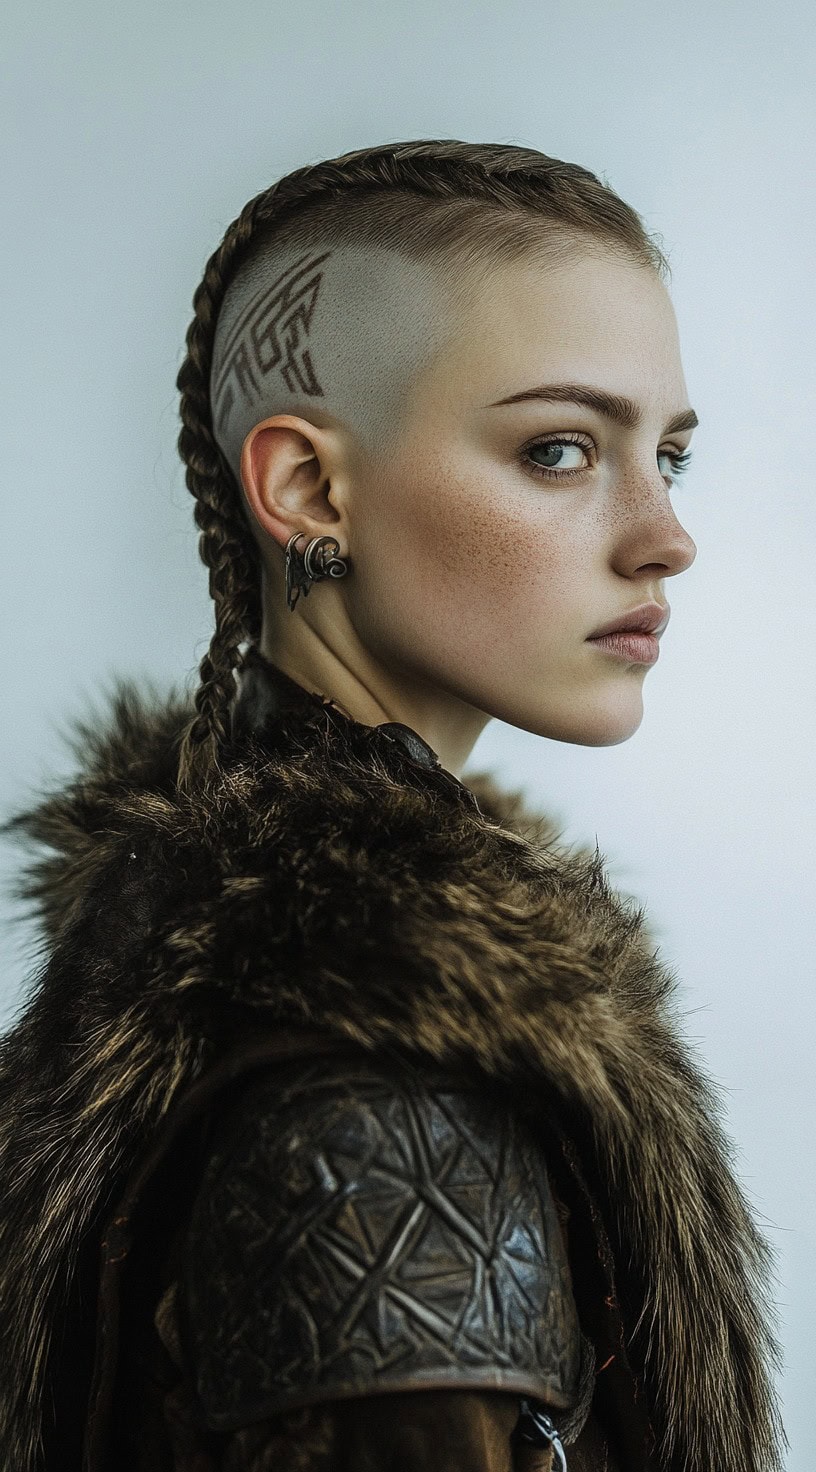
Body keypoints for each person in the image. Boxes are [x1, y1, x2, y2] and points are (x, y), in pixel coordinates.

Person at [0, 139, 785, 1472]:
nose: (664, 533)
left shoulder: (194, 955)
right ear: (309, 487)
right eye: (558, 448)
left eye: (673, 456)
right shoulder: (381, 1121)